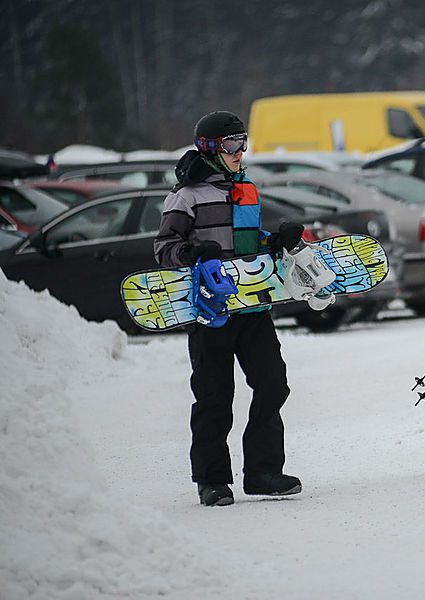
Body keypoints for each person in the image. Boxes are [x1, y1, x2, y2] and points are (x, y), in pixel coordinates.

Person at [155, 110, 305, 506]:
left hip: (253, 309)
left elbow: (249, 241)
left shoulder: (246, 189)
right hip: (210, 312)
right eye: (231, 145)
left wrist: (276, 242)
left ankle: (263, 472)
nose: (240, 152)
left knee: (273, 385)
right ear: (209, 149)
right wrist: (190, 252)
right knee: (214, 397)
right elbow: (163, 248)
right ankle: (212, 480)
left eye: (243, 143)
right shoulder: (186, 196)